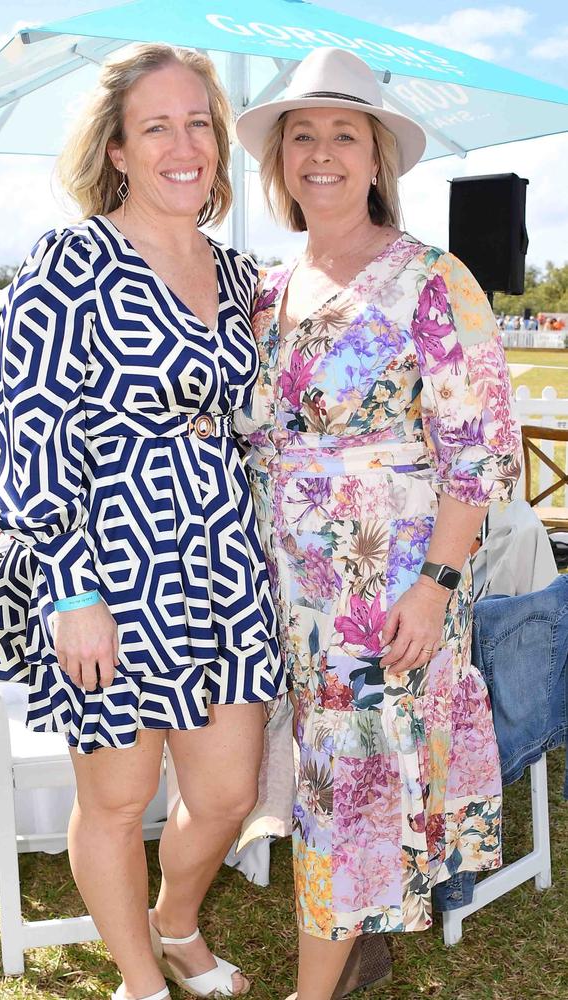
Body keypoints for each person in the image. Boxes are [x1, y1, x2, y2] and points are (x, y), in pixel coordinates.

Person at [0, 43, 286, 1000]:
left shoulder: (238, 275)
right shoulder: (70, 260)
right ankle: (142, 981)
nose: (183, 143)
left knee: (228, 793)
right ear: (117, 147)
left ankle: (176, 920)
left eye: (200, 122)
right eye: (157, 125)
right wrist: (71, 591)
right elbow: (24, 425)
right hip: (105, 555)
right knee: (115, 799)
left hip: (221, 555)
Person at [235, 47, 522, 1000]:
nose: (321, 153)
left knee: (347, 787)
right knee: (327, 774)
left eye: (343, 135)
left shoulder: (433, 279)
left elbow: (477, 449)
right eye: (301, 136)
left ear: (375, 158)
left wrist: (436, 587)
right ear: (279, 161)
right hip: (291, 589)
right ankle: (357, 942)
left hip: (391, 590)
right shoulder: (272, 291)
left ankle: (316, 987)